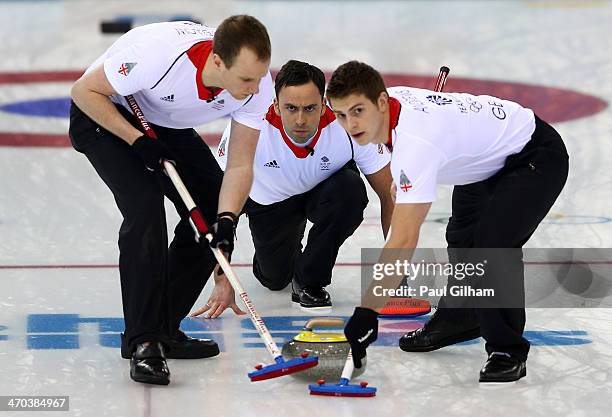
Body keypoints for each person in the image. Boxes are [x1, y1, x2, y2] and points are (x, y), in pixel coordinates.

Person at [326, 61, 569, 382]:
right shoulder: (390, 107)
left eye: (357, 111)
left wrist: (367, 312)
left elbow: (403, 239)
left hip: (534, 154)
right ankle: (461, 317)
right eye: (341, 115)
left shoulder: (417, 144)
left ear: (381, 102)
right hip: (482, 160)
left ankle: (507, 348)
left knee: (491, 246)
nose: (350, 124)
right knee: (462, 236)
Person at [68, 16, 273, 385]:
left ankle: (162, 328)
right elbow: (83, 92)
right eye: (246, 79)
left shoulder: (258, 85)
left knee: (210, 210)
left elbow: (240, 164)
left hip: (159, 121)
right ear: (216, 62)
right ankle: (144, 340)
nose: (256, 87)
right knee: (145, 210)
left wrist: (226, 221)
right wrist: (136, 141)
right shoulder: (156, 56)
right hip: (104, 114)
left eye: (259, 77)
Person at [200, 60, 393, 312]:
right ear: (276, 106)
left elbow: (390, 195)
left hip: (327, 191)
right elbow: (221, 209)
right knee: (275, 279)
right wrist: (222, 280)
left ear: (325, 106)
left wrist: (397, 269)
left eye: (310, 108)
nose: (300, 119)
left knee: (350, 191)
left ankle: (310, 281)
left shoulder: (349, 125)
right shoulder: (250, 129)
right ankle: (285, 252)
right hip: (271, 201)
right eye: (291, 108)